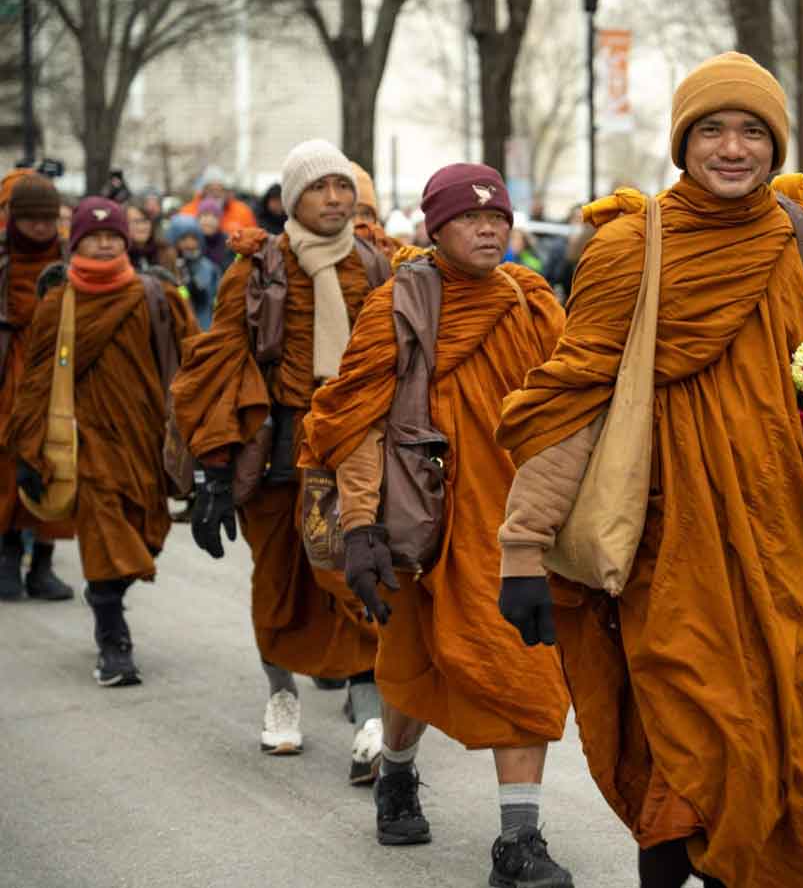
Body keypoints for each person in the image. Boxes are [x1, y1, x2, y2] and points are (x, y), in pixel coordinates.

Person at [493, 51, 803, 888]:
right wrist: (522, 547)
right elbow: (567, 402)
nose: (733, 147)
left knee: (782, 755)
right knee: (688, 747)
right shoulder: (627, 248)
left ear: (776, 144)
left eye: (752, 131)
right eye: (712, 129)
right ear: (682, 143)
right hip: (668, 551)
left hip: (793, 556)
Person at [301, 162, 574, 884]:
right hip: (424, 519)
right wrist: (361, 527)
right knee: (412, 665)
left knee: (525, 669)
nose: (488, 230)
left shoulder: (532, 303)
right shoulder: (398, 305)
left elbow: (571, 408)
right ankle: (396, 772)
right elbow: (355, 421)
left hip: (515, 523)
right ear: (435, 227)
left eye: (499, 219)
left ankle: (519, 842)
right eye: (469, 218)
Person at [171, 140, 386, 783]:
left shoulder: (379, 264)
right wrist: (213, 468)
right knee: (278, 578)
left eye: (343, 187)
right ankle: (282, 697)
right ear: (293, 198)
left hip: (350, 445)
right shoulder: (258, 266)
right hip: (277, 450)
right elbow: (220, 364)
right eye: (320, 188)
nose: (335, 199)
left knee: (353, 574)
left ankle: (371, 715)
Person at [7, 197, 197, 684]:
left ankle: (105, 594)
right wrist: (27, 448)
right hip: (85, 441)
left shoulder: (157, 296)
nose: (105, 242)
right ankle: (113, 642)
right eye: (92, 237)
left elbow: (198, 361)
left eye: (112, 235)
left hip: (147, 442)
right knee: (104, 533)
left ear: (126, 240)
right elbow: (36, 380)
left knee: (145, 539)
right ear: (76, 244)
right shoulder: (59, 303)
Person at [0, 174, 75, 602]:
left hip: (58, 380)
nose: (41, 227)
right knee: (10, 469)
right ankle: (8, 558)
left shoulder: (70, 263)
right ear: (13, 218)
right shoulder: (3, 263)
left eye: (48, 218)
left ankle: (43, 565)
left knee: (58, 466)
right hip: (9, 376)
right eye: (30, 219)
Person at [166, 215, 222, 330]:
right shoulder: (168, 268)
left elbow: (218, 300)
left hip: (206, 328)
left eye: (194, 238)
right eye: (184, 239)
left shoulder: (209, 268)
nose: (190, 244)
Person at [179, 165, 258, 234]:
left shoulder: (242, 211)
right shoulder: (188, 212)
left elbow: (253, 238)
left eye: (220, 189)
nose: (215, 193)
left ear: (225, 190)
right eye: (211, 189)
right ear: (203, 190)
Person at [126, 202, 176, 275]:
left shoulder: (165, 252)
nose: (141, 227)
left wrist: (183, 287)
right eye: (136, 222)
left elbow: (178, 282)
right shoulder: (120, 256)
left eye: (145, 221)